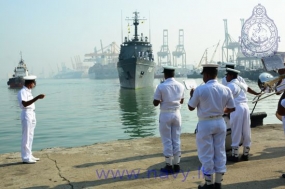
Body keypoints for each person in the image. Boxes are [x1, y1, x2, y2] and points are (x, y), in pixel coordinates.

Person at [188, 64, 235, 189]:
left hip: (205, 123)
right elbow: (232, 107)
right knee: (220, 151)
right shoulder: (225, 89)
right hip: (220, 122)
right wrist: (220, 110)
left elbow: (191, 107)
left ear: (207, 74)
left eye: (203, 74)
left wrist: (191, 95)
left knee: (206, 152)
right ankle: (218, 182)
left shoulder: (200, 89)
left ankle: (209, 184)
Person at [153, 66, 185, 174]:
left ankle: (168, 165)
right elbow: (181, 101)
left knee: (167, 140)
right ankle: (177, 165)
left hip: (165, 114)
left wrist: (162, 100)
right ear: (174, 74)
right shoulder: (181, 86)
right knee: (176, 139)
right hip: (177, 114)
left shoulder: (161, 86)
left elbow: (155, 103)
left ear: (165, 74)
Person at [224, 68, 251, 162]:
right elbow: (248, 90)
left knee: (236, 130)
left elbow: (225, 99)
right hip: (246, 107)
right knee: (246, 130)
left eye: (227, 75)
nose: (226, 77)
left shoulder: (230, 85)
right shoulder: (242, 84)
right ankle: (246, 153)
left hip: (237, 108)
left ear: (231, 76)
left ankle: (235, 155)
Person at [17, 75, 45, 164]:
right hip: (26, 113)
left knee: (30, 135)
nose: (34, 84)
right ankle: (25, 157)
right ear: (30, 83)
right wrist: (37, 97)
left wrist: (36, 97)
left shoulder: (28, 91)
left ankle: (29, 154)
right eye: (33, 83)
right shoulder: (22, 92)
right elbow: (24, 104)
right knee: (26, 136)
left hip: (32, 113)